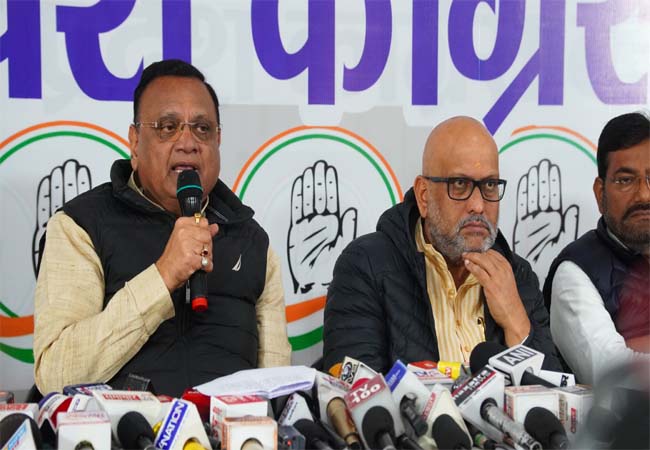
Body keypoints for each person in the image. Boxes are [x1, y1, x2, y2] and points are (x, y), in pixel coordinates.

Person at [33, 60, 291, 396]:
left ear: (218, 140)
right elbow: (56, 374)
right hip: (126, 427)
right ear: (135, 142)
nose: (188, 142)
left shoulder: (252, 241)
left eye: (202, 128)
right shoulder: (82, 226)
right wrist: (163, 275)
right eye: (168, 127)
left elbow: (278, 386)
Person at [323, 116, 561, 374]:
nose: (478, 205)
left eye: (490, 185)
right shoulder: (366, 266)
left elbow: (555, 390)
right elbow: (356, 389)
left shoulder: (517, 275)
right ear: (424, 196)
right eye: (459, 185)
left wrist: (516, 322)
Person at [545, 112, 650, 384]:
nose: (644, 194)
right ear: (600, 193)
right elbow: (615, 378)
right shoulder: (575, 272)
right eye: (625, 180)